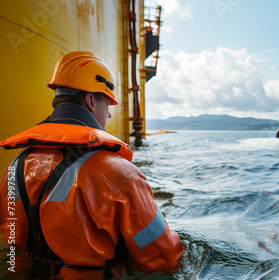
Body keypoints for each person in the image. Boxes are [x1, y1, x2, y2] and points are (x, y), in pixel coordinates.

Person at [0, 51, 184, 271]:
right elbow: (165, 261)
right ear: (90, 101)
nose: (108, 115)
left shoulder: (14, 167)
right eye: (107, 105)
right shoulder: (122, 175)